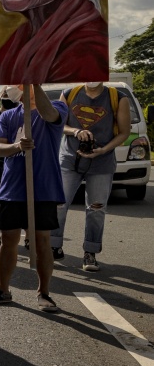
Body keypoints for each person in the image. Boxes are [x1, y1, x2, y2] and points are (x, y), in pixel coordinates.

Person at [0, 84, 67, 312]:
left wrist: (35, 83)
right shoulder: (8, 116)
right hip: (12, 188)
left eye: (22, 83)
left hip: (44, 187)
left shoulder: (56, 107)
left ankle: (44, 292)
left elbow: (50, 115)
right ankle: (3, 289)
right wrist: (17, 146)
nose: (17, 88)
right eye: (16, 85)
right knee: (9, 239)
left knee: (41, 240)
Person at [51, 82, 130, 271]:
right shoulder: (70, 93)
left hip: (102, 161)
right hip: (70, 158)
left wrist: (103, 149)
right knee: (59, 204)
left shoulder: (117, 97)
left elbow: (124, 132)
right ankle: (54, 246)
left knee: (96, 208)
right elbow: (60, 124)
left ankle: (90, 253)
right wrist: (76, 131)